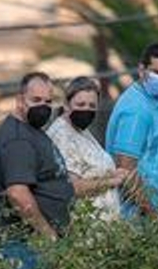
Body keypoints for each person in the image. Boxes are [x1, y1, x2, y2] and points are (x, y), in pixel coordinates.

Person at [0, 73, 73, 269]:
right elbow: (18, 193)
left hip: (37, 245)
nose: (43, 107)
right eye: (35, 100)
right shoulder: (18, 140)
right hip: (25, 246)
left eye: (48, 101)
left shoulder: (31, 130)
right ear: (19, 101)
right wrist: (49, 235)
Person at [106, 43, 158, 219]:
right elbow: (126, 169)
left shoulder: (154, 102)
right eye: (156, 72)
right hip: (137, 218)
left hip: (153, 212)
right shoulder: (137, 110)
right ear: (141, 70)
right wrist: (154, 216)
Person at [46, 76, 124, 219]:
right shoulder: (62, 136)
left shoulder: (81, 130)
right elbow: (72, 187)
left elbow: (90, 170)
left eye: (91, 106)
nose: (86, 110)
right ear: (66, 104)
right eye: (80, 104)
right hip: (84, 229)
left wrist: (114, 173)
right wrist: (111, 181)